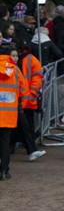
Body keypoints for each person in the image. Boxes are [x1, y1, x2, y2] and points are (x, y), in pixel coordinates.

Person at [13, 43, 47, 162]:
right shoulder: (14, 66)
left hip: (20, 101)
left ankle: (30, 150)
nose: (15, 58)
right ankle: (30, 150)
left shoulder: (20, 64)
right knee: (23, 127)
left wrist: (31, 92)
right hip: (19, 101)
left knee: (23, 126)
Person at [0, 45, 29, 180]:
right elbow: (24, 90)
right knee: (5, 141)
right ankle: (4, 171)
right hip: (9, 114)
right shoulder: (16, 70)